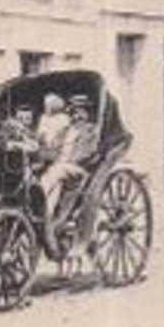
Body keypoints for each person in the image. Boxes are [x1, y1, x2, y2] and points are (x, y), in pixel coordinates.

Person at [39, 93, 100, 246]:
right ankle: (45, 217)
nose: (77, 116)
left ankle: (38, 199)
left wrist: (66, 160)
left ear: (87, 113)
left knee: (57, 171)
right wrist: (41, 148)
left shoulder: (91, 131)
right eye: (74, 112)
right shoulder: (65, 130)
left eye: (81, 112)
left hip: (80, 170)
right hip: (61, 169)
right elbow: (53, 150)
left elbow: (89, 153)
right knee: (52, 179)